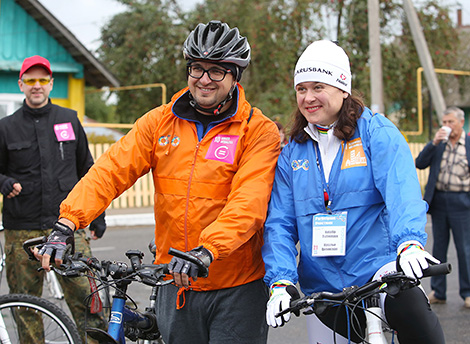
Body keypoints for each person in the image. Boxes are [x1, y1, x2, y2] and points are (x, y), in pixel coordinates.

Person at [36, 21, 280, 344]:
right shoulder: (159, 122)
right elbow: (110, 171)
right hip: (175, 285)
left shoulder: (258, 131)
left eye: (217, 71)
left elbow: (249, 202)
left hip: (236, 288)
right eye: (197, 68)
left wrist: (206, 250)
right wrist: (67, 223)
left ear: (235, 76)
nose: (204, 79)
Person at [262, 40, 445, 344]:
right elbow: (279, 222)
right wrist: (281, 281)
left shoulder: (377, 133)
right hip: (323, 285)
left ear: (343, 88)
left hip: (380, 272)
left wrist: (410, 242)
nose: (308, 98)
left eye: (318, 87)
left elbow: (401, 192)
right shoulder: (292, 152)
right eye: (301, 89)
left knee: (423, 328)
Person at [0, 55, 107, 343]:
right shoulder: (6, 127)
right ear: (21, 84)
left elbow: (88, 169)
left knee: (89, 301)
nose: (37, 86)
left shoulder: (69, 119)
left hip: (67, 227)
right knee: (25, 306)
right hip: (22, 229)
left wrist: (98, 215)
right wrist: (5, 182)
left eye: (43, 80)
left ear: (51, 83)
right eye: (31, 80)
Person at [416, 106, 470, 308]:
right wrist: (433, 142)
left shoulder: (468, 144)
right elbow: (420, 163)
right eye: (444, 122)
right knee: (438, 248)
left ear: (461, 123)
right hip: (439, 202)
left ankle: (467, 292)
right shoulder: (439, 144)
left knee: (464, 249)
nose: (446, 126)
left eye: (450, 122)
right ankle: (438, 292)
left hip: (462, 202)